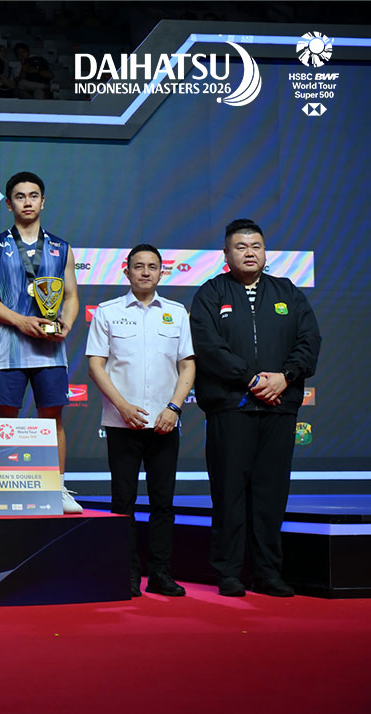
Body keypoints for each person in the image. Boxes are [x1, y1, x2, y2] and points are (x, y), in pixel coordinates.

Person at [190, 219, 321, 597]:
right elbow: (208, 346)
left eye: (256, 246)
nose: (250, 252)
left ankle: (267, 573)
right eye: (241, 246)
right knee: (229, 492)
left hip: (280, 407)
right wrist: (250, 379)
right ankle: (229, 573)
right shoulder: (211, 293)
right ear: (226, 254)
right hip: (231, 407)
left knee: (271, 493)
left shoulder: (288, 292)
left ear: (265, 252)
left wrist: (285, 376)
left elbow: (309, 341)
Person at [86, 244, 195, 597]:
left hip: (165, 423)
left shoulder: (177, 313)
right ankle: (127, 573)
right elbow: (96, 365)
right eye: (139, 266)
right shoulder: (108, 312)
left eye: (152, 266)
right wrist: (123, 407)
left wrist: (174, 408)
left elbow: (187, 365)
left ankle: (161, 573)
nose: (145, 272)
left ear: (162, 272)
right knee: (123, 503)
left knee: (163, 503)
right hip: (122, 424)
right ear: (127, 271)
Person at [0, 171, 82, 514]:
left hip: (51, 350)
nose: (27, 202)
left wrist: (67, 323)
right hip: (10, 347)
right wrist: (21, 321)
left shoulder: (61, 248)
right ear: (9, 204)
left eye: (33, 195)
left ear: (43, 201)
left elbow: (71, 296)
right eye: (20, 196)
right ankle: (1, 488)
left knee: (52, 418)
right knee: (6, 418)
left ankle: (57, 488)